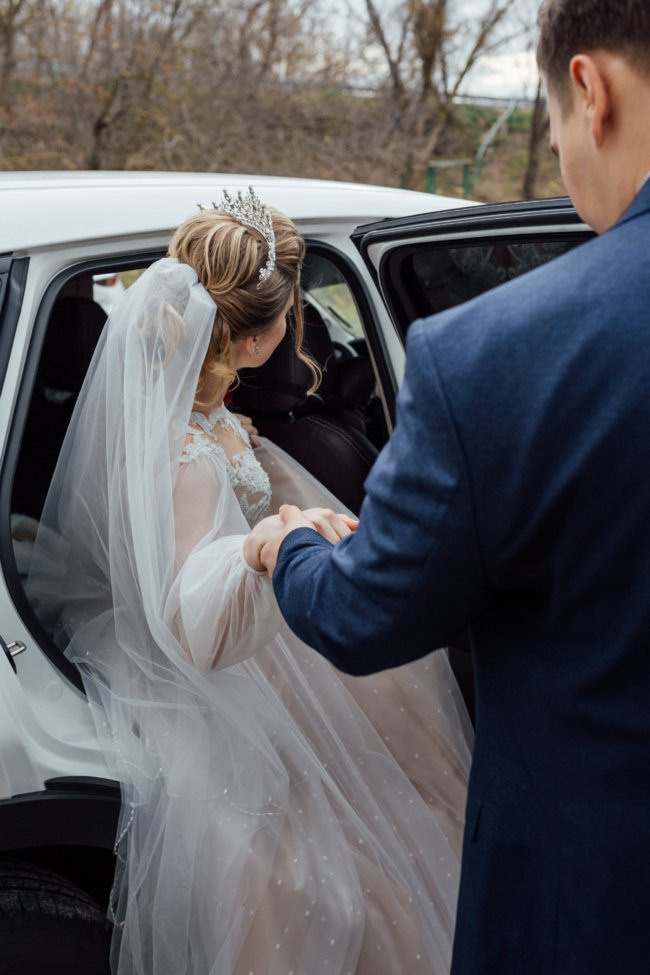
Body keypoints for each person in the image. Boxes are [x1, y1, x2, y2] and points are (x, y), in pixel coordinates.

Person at [248, 2, 650, 972]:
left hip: (598, 900)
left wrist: (290, 546)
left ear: (587, 92)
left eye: (548, 123)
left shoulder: (499, 352)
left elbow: (368, 616)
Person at [26, 189, 473, 974]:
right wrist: (259, 547)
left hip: (203, 608)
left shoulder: (185, 412)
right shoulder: (190, 460)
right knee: (364, 845)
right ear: (262, 333)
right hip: (224, 657)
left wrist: (240, 447)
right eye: (292, 309)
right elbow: (194, 628)